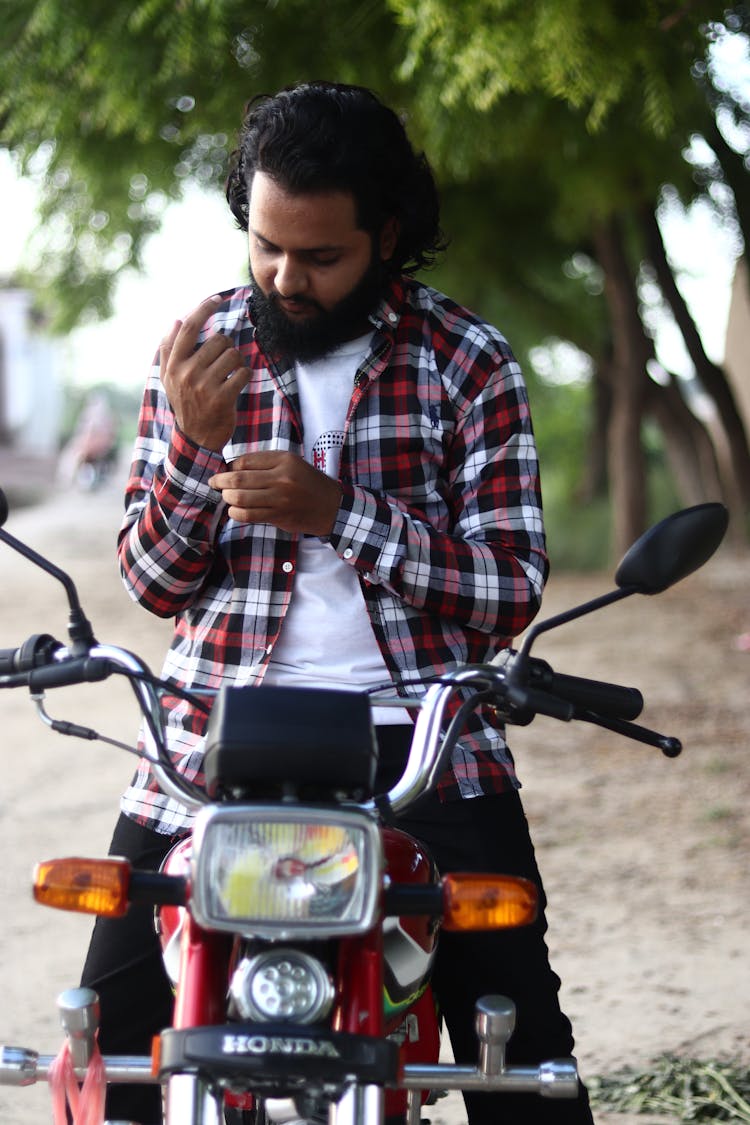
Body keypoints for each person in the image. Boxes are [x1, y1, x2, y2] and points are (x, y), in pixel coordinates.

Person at [81, 81, 593, 1124]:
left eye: (320, 257)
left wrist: (342, 515)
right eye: (266, 247)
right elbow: (151, 580)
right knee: (106, 1044)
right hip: (210, 740)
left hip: (423, 747)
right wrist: (190, 446)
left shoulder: (468, 362)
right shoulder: (197, 354)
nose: (285, 278)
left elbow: (507, 590)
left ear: (387, 236)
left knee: (526, 1063)